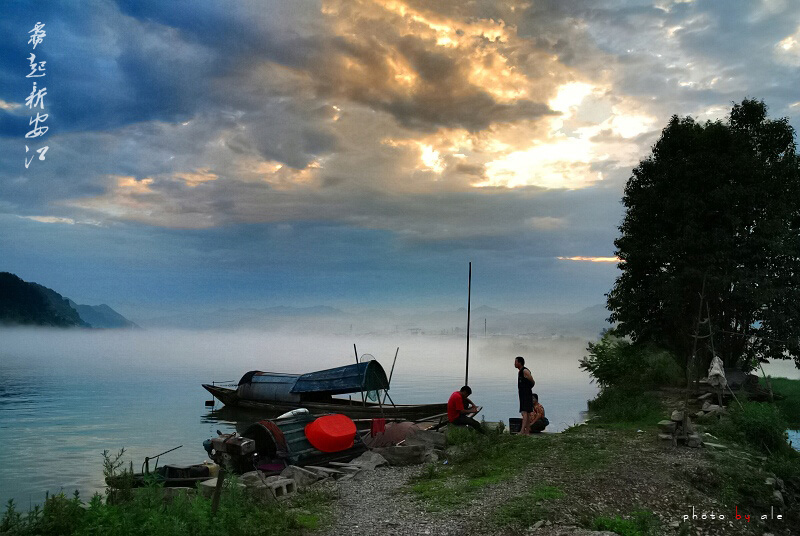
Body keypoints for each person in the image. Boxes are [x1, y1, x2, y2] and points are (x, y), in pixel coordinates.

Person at [514, 356, 535, 435]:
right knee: (527, 412)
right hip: (522, 394)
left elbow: (533, 382)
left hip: (526, 395)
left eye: (515, 362)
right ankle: (527, 432)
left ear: (519, 362)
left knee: (525, 412)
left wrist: (527, 389)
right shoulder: (520, 372)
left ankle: (522, 431)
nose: (514, 363)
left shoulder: (525, 371)